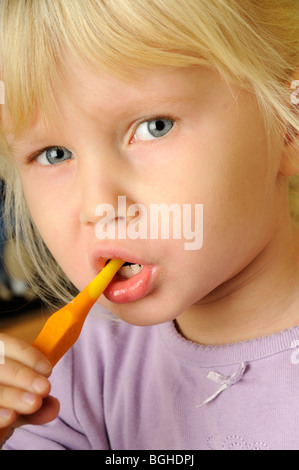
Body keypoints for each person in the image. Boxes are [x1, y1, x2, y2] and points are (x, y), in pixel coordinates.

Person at [0, 0, 299, 450]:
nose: (99, 205)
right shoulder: (62, 387)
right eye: (54, 155)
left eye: (154, 126)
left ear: (287, 123)